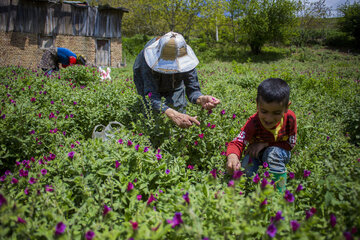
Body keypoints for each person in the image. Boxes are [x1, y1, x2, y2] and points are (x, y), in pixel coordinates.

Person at [133, 32, 220, 128]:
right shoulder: (147, 60)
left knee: (179, 113)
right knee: (151, 114)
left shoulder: (184, 56)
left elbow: (193, 90)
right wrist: (171, 113)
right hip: (145, 78)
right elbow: (150, 95)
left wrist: (201, 98)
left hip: (175, 84)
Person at [226, 78, 297, 192]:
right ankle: (249, 193)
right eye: (264, 111)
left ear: (286, 107)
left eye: (276, 113)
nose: (269, 118)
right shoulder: (253, 122)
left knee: (272, 153)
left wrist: (265, 144)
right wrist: (233, 156)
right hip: (256, 153)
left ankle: (278, 193)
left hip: (280, 151)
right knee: (246, 169)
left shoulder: (290, 119)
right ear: (257, 105)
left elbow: (290, 144)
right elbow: (238, 141)